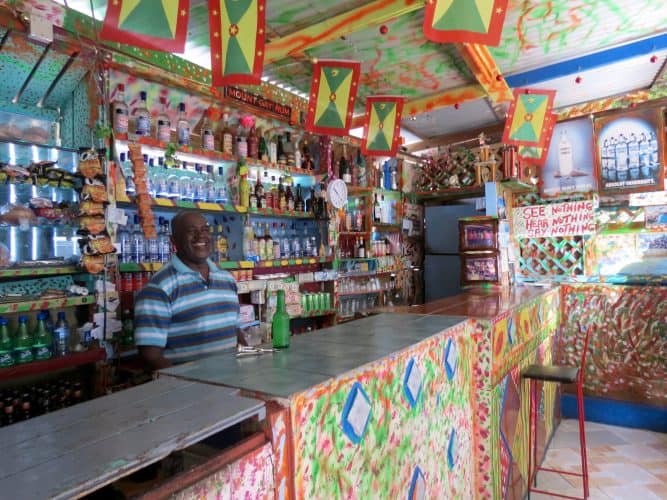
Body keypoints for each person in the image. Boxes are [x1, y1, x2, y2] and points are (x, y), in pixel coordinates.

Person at [134, 211, 239, 370]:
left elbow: (235, 331)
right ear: (173, 240)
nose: (200, 236)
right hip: (191, 390)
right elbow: (150, 355)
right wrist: (186, 383)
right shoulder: (159, 288)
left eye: (205, 230)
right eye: (191, 231)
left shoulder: (227, 279)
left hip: (232, 381)